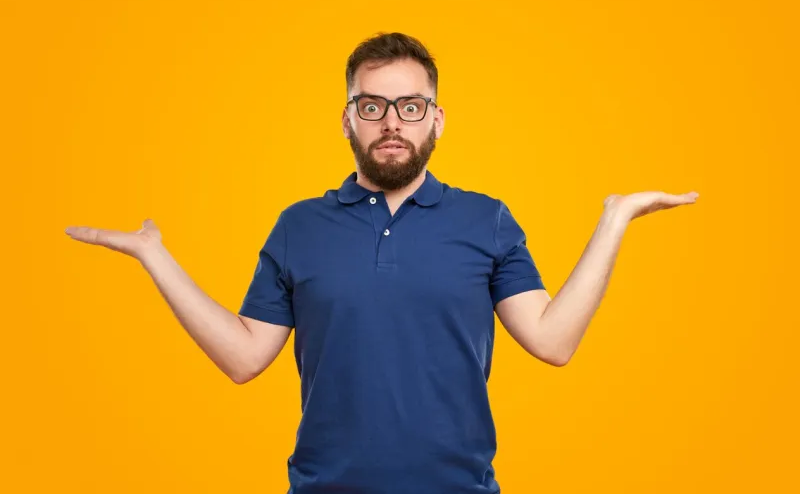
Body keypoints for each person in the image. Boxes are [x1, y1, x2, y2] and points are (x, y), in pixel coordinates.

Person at [65, 32, 698, 494]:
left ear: (437, 119)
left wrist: (613, 219)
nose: (391, 122)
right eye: (372, 106)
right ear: (348, 119)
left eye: (410, 106)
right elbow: (242, 358)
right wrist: (155, 256)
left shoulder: (487, 220)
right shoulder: (299, 225)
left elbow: (554, 342)